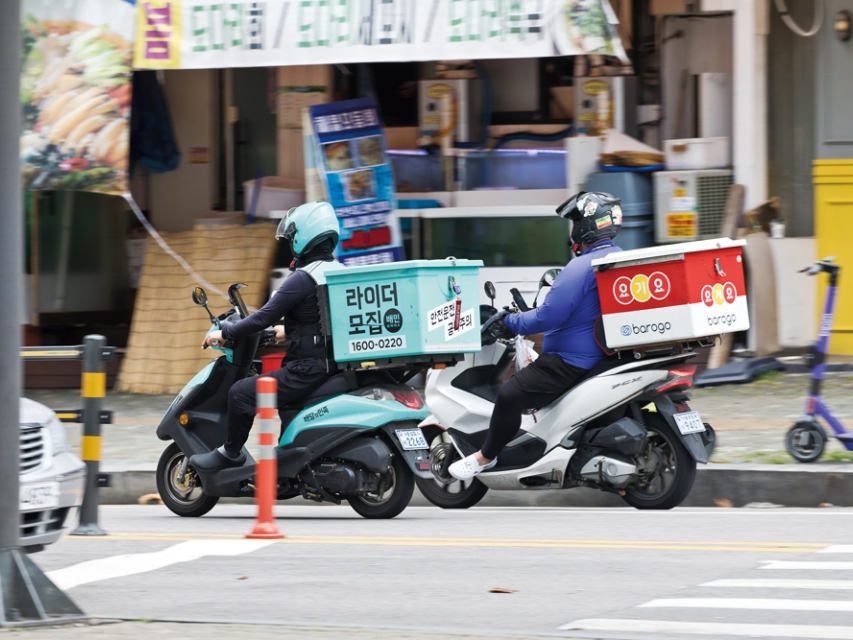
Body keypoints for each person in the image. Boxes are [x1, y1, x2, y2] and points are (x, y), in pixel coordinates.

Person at [449, 192, 625, 480]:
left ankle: (485, 457)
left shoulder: (581, 268)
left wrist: (510, 321)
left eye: (574, 223)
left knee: (508, 395)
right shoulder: (619, 258)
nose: (571, 231)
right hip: (605, 356)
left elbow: (547, 317)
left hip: (570, 361)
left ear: (587, 226)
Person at [190, 201, 343, 472]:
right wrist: (282, 334)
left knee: (240, 393)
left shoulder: (303, 278)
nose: (290, 243)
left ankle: (231, 453)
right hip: (333, 366)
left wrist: (224, 333)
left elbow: (262, 317)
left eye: (291, 237)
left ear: (303, 236)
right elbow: (323, 321)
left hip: (306, 370)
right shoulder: (340, 273)